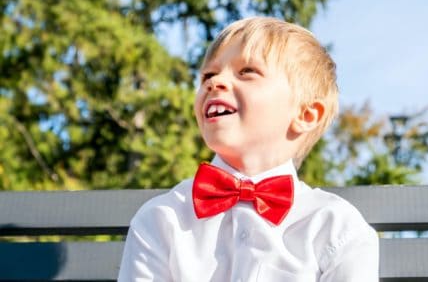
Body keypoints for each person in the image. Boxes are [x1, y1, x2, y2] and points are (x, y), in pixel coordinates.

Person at [118, 17, 379, 282]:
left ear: (305, 114)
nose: (215, 82)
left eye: (247, 72)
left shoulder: (337, 227)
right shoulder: (162, 219)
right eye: (208, 74)